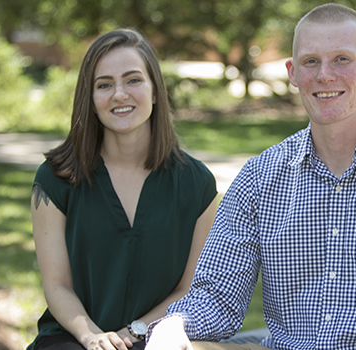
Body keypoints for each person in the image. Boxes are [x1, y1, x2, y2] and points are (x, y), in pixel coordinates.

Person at [144, 4, 356, 350]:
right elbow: (217, 295)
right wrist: (174, 326)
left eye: (342, 59)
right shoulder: (259, 179)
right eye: (311, 62)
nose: (325, 75)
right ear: (292, 72)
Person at [28, 28, 218, 350]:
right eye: (104, 85)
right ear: (90, 98)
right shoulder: (55, 179)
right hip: (71, 339)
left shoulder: (197, 184)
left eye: (133, 80)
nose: (119, 95)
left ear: (155, 91)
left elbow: (189, 288)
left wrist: (135, 332)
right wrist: (92, 337)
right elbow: (58, 286)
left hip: (155, 336)